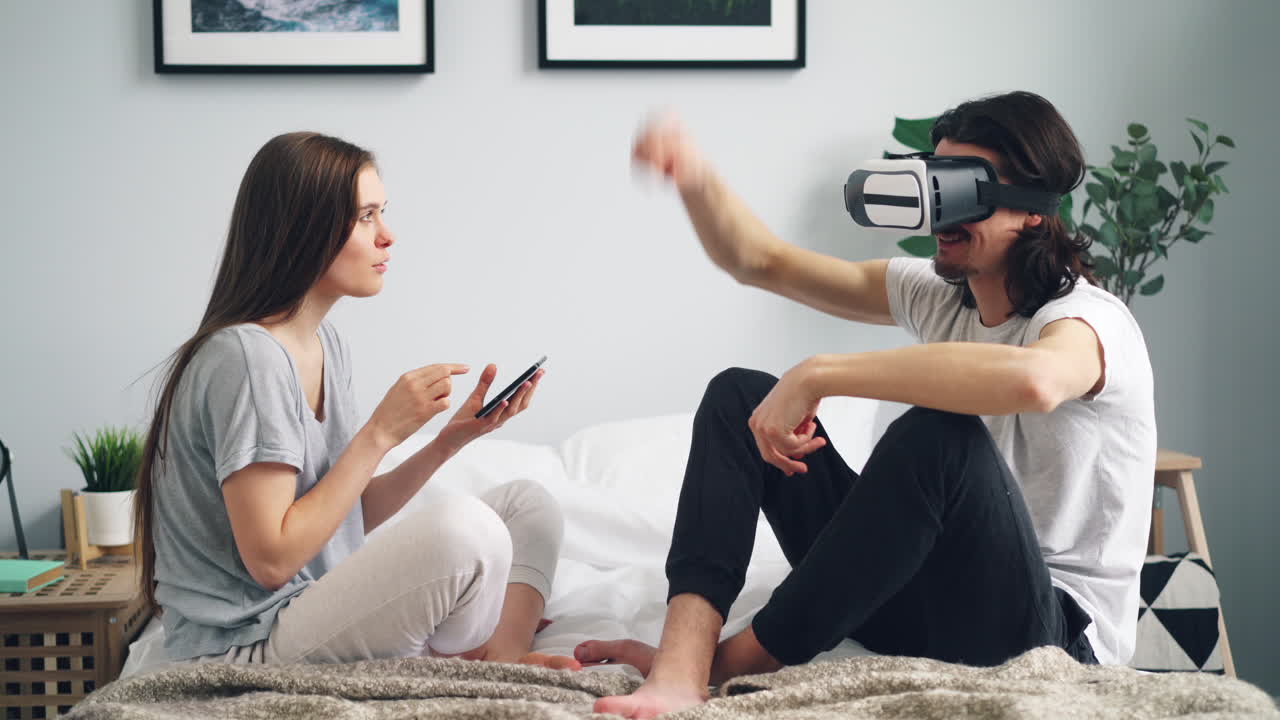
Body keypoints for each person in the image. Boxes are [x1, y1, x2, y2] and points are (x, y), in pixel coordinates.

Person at [575, 91, 1156, 718]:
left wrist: (824, 372)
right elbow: (760, 261)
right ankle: (682, 666)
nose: (940, 212)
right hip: (920, 613)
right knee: (739, 394)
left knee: (938, 438)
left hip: (1046, 641)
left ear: (1034, 213)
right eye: (936, 182)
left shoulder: (1090, 319)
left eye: (963, 189)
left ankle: (733, 663)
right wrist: (692, 175)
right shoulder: (938, 294)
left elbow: (1039, 381)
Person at [135, 131, 578, 670]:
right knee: (468, 528)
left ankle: (502, 653)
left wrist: (444, 445)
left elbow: (342, 517)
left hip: (308, 608)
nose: (387, 236)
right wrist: (380, 434)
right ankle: (464, 651)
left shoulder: (325, 345)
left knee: (528, 506)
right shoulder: (246, 357)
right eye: (366, 216)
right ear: (304, 229)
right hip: (246, 642)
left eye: (381, 213)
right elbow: (272, 560)